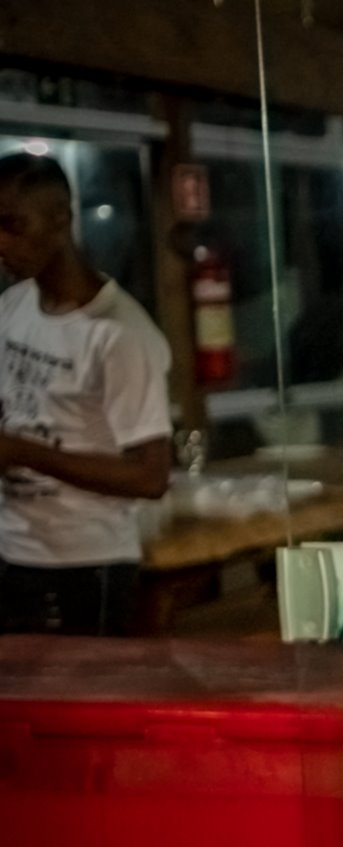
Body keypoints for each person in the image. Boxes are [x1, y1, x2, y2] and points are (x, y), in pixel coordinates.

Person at [0, 152, 171, 635]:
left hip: (88, 565)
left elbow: (151, 476)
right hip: (13, 551)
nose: (1, 243)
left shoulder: (119, 334)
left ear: (61, 218)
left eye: (12, 224)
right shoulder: (12, 306)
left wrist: (22, 452)